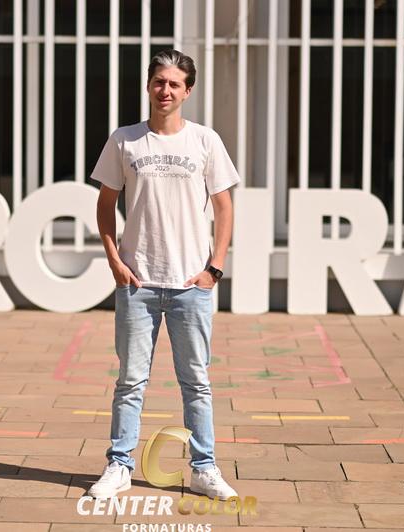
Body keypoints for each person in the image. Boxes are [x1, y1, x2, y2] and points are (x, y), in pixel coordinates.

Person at [88, 49, 240, 501]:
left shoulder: (205, 141)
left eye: (175, 84)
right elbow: (105, 204)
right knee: (130, 383)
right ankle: (119, 466)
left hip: (191, 285)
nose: (165, 91)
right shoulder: (125, 140)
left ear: (187, 90)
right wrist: (114, 260)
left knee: (197, 383)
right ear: (148, 85)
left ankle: (204, 470)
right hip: (138, 284)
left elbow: (224, 207)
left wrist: (214, 268)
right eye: (159, 82)